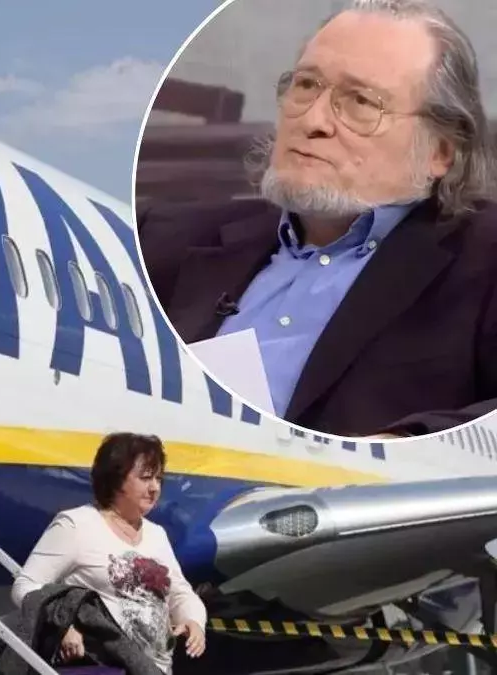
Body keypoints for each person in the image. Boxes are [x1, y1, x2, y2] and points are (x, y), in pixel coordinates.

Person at [136, 0, 497, 438]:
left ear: (440, 151)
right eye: (306, 85)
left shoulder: (483, 262)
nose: (313, 119)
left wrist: (403, 445)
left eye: (361, 101)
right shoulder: (158, 237)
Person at [10, 433, 206, 674]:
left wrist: (193, 620)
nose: (155, 488)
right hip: (104, 668)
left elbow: (180, 592)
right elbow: (25, 586)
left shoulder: (157, 534)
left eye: (158, 478)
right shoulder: (77, 525)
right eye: (145, 478)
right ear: (116, 479)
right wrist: (62, 626)